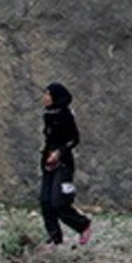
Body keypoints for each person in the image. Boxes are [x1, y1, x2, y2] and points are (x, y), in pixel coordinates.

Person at [39, 82, 92, 249]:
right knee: (45, 201)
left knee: (58, 202)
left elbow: (74, 139)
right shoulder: (48, 115)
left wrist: (59, 152)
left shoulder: (66, 115)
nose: (44, 97)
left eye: (47, 94)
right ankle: (54, 237)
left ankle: (83, 225)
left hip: (63, 164)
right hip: (48, 163)